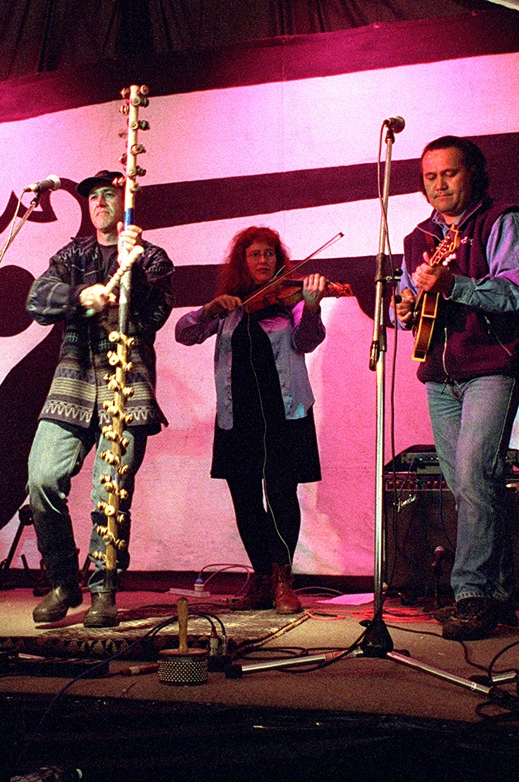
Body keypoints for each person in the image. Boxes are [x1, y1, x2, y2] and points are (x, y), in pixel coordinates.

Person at [392, 136, 519, 641]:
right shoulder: (417, 237)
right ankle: (500, 593)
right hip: (440, 375)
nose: (438, 185)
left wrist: (453, 286)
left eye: (448, 173)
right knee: (470, 486)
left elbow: (512, 292)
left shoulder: (501, 220)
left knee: (475, 475)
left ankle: (471, 593)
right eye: (429, 177)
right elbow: (406, 299)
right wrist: (403, 308)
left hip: (491, 366)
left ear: (472, 172)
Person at [25, 170, 174, 628]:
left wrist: (132, 270)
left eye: (109, 195)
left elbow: (154, 313)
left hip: (125, 387)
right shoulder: (74, 255)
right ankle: (62, 581)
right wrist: (79, 294)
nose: (100, 203)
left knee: (110, 493)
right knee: (41, 478)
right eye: (93, 197)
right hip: (72, 383)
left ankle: (104, 588)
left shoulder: (151, 256)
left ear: (125, 202)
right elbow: (36, 298)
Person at [175, 227, 339, 614]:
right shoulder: (231, 306)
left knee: (281, 495)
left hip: (284, 412)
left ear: (278, 260)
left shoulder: (291, 301)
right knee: (245, 501)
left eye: (269, 254)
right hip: (238, 415)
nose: (263, 260)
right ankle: (263, 578)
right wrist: (208, 310)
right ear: (243, 261)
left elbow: (306, 341)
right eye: (255, 254)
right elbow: (184, 333)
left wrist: (311, 307)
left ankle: (283, 580)